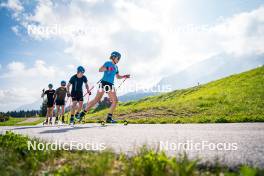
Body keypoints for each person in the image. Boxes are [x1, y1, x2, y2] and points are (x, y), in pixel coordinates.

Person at [78, 51, 130, 123]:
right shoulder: (108, 63)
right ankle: (82, 115)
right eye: (118, 58)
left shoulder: (116, 67)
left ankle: (82, 114)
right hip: (105, 83)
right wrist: (108, 68)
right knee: (103, 100)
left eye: (119, 59)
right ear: (114, 57)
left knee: (107, 100)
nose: (118, 60)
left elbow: (118, 77)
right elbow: (100, 69)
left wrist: (125, 76)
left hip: (108, 84)